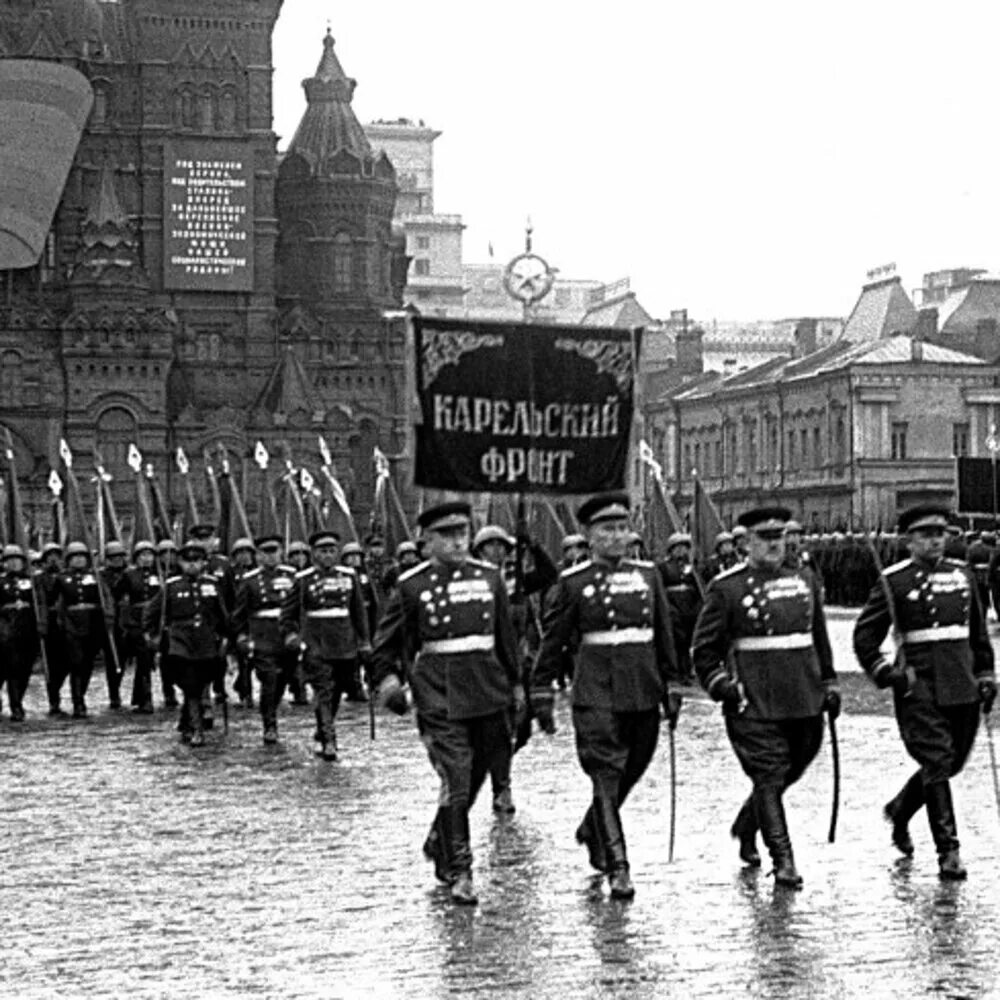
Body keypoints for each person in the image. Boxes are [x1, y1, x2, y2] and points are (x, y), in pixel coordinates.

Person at [370, 501, 522, 906]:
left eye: (463, 533)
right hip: (439, 696)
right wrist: (388, 683)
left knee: (477, 776)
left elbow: (507, 642)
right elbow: (385, 646)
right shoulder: (412, 586)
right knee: (456, 777)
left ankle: (440, 838)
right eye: (447, 535)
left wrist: (520, 687)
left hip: (488, 692)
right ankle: (461, 869)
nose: (458, 541)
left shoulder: (490, 579)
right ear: (427, 541)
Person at [532, 491, 680, 901]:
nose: (616, 537)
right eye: (607, 530)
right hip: (596, 692)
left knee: (635, 766)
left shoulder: (649, 575)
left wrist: (672, 685)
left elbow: (665, 636)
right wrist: (541, 692)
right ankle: (619, 865)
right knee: (606, 774)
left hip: (643, 689)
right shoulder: (573, 583)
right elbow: (554, 642)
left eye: (621, 528)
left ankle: (593, 825)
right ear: (589, 536)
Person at [691, 505, 838, 889]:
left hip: (803, 696)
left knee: (798, 763)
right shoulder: (727, 588)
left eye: (779, 538)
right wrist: (722, 684)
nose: (775, 546)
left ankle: (747, 823)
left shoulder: (804, 579)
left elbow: (818, 637)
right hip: (753, 700)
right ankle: (783, 860)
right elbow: (704, 652)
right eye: (765, 539)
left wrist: (831, 682)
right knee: (769, 776)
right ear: (747, 543)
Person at [853, 503, 996, 880]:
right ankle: (948, 851)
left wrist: (986, 674)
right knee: (936, 762)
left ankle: (901, 810)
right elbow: (865, 638)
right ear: (908, 541)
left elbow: (978, 634)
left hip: (961, 682)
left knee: (952, 763)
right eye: (925, 535)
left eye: (940, 534)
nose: (935, 541)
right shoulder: (894, 581)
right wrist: (887, 673)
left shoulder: (962, 575)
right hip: (919, 685)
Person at [472, 523, 558, 814]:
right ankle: (502, 788)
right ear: (479, 550)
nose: (496, 551)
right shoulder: (471, 580)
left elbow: (548, 574)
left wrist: (532, 545)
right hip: (488, 664)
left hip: (521, 660)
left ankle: (497, 761)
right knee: (501, 726)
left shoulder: (516, 580)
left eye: (502, 546)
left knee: (522, 729)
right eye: (490, 546)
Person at [280, 530, 371, 761]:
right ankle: (330, 740)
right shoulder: (303, 580)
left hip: (344, 643)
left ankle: (323, 727)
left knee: (339, 688)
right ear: (313, 554)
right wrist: (291, 636)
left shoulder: (349, 576)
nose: (328, 555)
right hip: (316, 643)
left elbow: (359, 613)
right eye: (323, 551)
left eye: (332, 551)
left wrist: (365, 642)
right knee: (323, 690)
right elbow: (287, 615)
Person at [142, 539, 230, 746]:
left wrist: (226, 637)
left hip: (206, 640)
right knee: (189, 683)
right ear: (180, 563)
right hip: (180, 639)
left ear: (204, 562)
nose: (192, 565)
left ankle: (186, 720)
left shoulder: (212, 584)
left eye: (197, 560)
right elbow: (152, 613)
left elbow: (222, 614)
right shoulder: (171, 586)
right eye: (187, 561)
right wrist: (150, 634)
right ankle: (197, 729)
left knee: (201, 683)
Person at [232, 535, 298, 744]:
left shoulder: (293, 576)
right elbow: (240, 613)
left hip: (287, 635)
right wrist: (242, 636)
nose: (270, 557)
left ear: (281, 553)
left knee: (283, 679)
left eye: (274, 552)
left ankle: (272, 708)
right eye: (265, 553)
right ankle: (269, 723)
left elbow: (301, 607)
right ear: (259, 556)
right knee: (268, 679)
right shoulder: (250, 580)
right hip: (262, 636)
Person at [44, 541, 112, 719]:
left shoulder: (95, 576)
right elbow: (50, 599)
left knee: (88, 663)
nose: (79, 560)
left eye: (82, 557)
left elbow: (106, 598)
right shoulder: (61, 578)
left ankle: (81, 694)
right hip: (71, 624)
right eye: (75, 557)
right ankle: (78, 702)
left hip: (93, 622)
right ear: (69, 560)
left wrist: (109, 616)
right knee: (76, 663)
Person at [113, 540, 163, 713]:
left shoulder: (160, 573)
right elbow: (117, 595)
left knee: (148, 661)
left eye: (150, 555)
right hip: (137, 622)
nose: (147, 559)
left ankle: (142, 697)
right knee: (143, 660)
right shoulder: (129, 575)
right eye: (143, 555)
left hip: (155, 621)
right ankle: (145, 699)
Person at [0, 544, 39, 721]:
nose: (14, 563)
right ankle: (16, 706)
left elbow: (40, 604)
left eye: (17, 560)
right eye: (10, 561)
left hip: (28, 629)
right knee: (11, 669)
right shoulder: (1, 582)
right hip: (6, 630)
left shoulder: (31, 581)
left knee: (25, 669)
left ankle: (18, 699)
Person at [657, 532, 702, 685]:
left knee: (688, 640)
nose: (681, 551)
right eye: (678, 548)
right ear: (671, 550)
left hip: (689, 607)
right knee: (677, 640)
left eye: (684, 548)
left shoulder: (691, 568)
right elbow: (661, 589)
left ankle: (687, 670)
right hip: (673, 607)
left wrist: (697, 607)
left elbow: (697, 588)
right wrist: (668, 608)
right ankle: (677, 672)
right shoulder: (664, 567)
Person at [229, 537, 258, 707]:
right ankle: (246, 694)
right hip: (238, 620)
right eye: (240, 553)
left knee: (256, 658)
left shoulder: (257, 573)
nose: (245, 556)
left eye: (247, 552)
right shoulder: (230, 574)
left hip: (255, 621)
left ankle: (241, 684)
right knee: (243, 660)